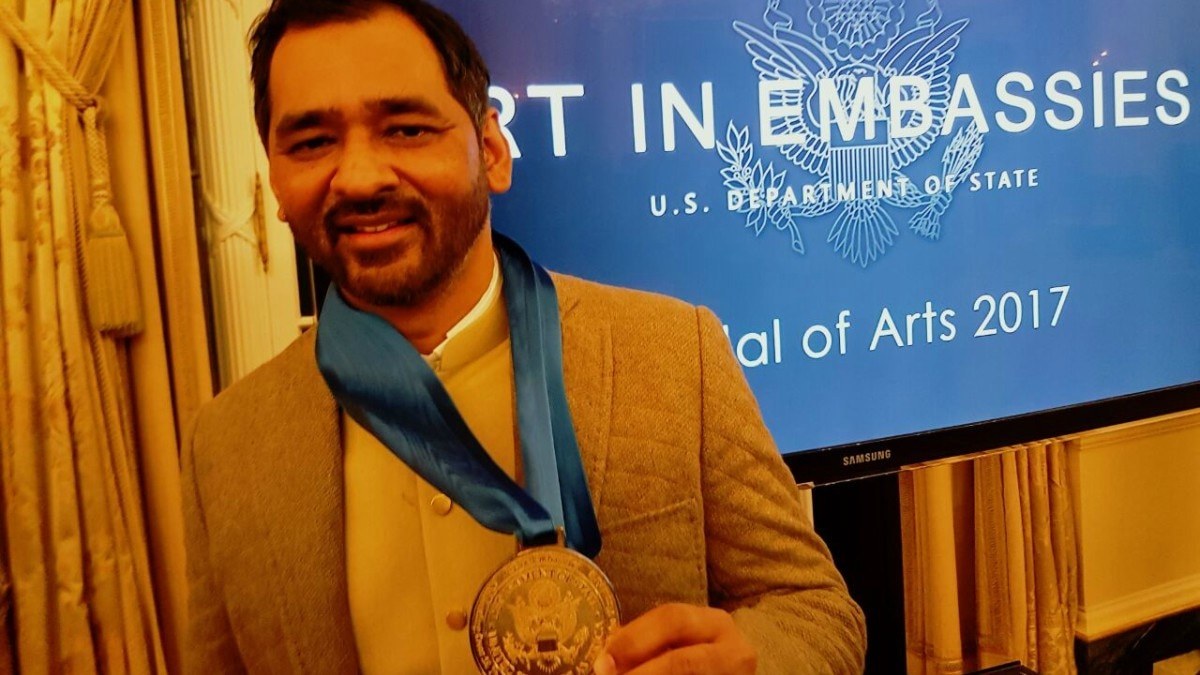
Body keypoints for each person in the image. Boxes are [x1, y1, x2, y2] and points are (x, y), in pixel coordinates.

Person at [181, 1, 867, 673]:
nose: (360, 176)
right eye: (311, 142)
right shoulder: (227, 447)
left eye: (407, 129)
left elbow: (815, 609)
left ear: (492, 149)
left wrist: (756, 660)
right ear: (274, 179)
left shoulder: (673, 353)